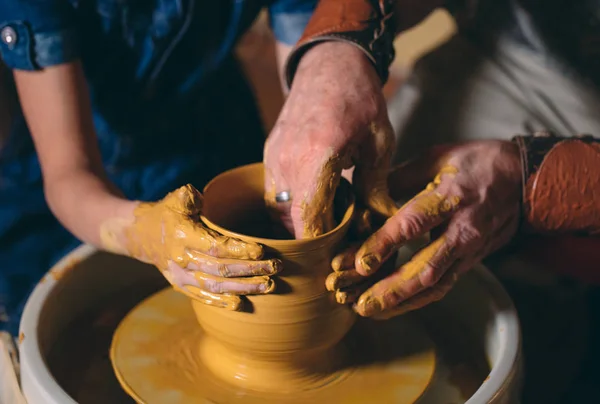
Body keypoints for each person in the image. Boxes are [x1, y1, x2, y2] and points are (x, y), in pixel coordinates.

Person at [0, 0, 399, 336]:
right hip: (85, 160)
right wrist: (146, 234)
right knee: (55, 316)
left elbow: (312, 110)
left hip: (212, 126)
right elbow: (68, 174)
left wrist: (339, 196)